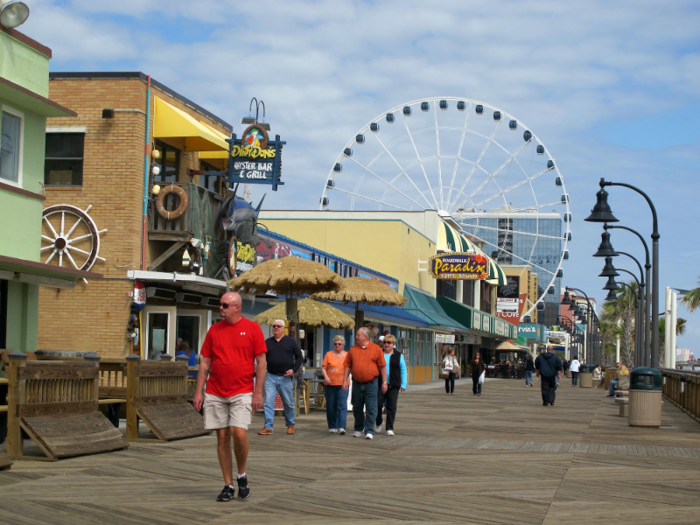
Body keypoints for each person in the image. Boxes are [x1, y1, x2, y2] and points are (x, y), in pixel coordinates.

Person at [194, 292, 266, 502]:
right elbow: (205, 363)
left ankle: (241, 474)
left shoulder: (252, 328)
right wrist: (199, 391)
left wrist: (258, 392)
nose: (221, 308)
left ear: (237, 307)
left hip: (242, 390)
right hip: (216, 391)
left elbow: (261, 363)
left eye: (225, 305)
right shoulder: (214, 330)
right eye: (220, 304)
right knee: (222, 437)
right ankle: (228, 485)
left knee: (239, 434)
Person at [258, 319, 303, 436]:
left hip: (285, 377)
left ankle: (290, 424)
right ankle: (268, 426)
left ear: (284, 329)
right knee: (268, 402)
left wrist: (293, 370)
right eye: (274, 326)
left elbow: (299, 358)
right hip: (270, 376)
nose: (276, 328)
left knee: (288, 402)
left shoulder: (291, 342)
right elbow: (261, 358)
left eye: (279, 326)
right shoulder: (267, 342)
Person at [342, 327, 386, 440]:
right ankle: (358, 428)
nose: (356, 337)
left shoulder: (376, 349)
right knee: (357, 407)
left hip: (371, 383)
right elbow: (347, 366)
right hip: (356, 382)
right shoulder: (353, 349)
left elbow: (382, 367)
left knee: (371, 407)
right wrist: (344, 381)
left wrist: (384, 382)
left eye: (358, 335)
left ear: (365, 337)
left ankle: (369, 430)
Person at [374, 335, 407, 436]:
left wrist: (403, 384)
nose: (386, 344)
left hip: (393, 384)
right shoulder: (378, 353)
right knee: (377, 404)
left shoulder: (398, 355)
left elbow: (403, 370)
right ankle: (379, 421)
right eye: (385, 342)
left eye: (389, 343)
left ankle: (389, 427)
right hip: (379, 383)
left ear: (393, 344)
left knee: (391, 406)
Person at [322, 335, 349, 434]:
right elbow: (324, 367)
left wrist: (346, 380)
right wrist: (326, 377)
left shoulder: (347, 355)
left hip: (343, 383)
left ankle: (342, 426)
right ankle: (332, 426)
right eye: (335, 344)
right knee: (331, 405)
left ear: (343, 345)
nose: (337, 346)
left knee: (342, 405)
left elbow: (349, 368)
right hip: (330, 383)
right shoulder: (328, 354)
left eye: (339, 344)